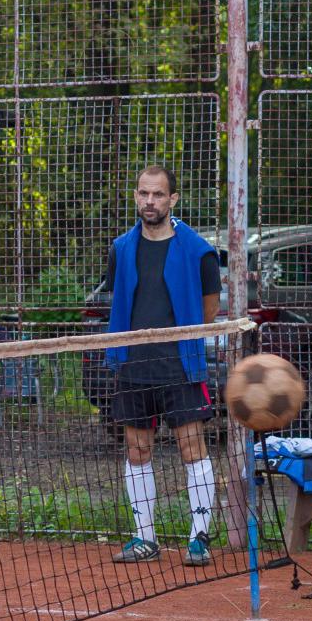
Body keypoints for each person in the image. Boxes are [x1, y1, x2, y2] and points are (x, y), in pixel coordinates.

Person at [103, 165, 221, 568]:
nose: (149, 201)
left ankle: (199, 538)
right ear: (136, 196)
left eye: (157, 194)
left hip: (180, 365)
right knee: (137, 450)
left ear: (173, 199)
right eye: (143, 193)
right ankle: (144, 538)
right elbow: (122, 300)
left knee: (192, 447)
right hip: (133, 365)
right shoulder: (121, 248)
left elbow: (208, 310)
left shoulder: (199, 250)